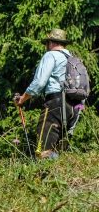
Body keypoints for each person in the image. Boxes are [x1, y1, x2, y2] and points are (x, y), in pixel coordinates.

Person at [14, 28, 85, 159]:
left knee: (44, 148)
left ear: (51, 42)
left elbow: (40, 82)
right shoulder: (72, 59)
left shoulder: (50, 55)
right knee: (59, 149)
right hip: (73, 106)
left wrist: (23, 98)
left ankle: (43, 177)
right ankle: (59, 176)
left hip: (55, 103)